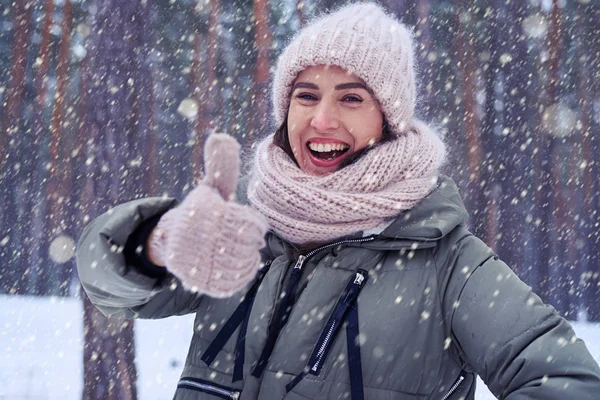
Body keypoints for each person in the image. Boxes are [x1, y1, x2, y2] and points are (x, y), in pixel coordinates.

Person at [76, 3, 600, 399]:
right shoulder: (242, 235)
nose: (322, 119)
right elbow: (108, 288)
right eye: (306, 95)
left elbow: (568, 380)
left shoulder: (448, 263)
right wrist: (158, 242)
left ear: (388, 122)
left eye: (351, 98)